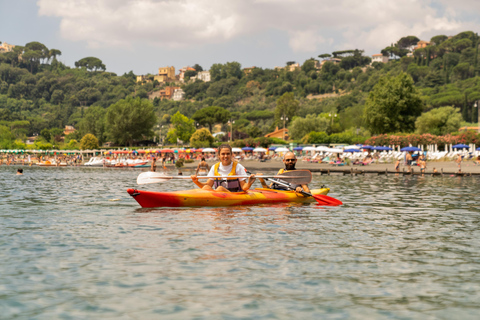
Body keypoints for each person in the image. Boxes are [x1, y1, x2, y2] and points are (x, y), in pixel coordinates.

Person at [191, 144, 256, 192]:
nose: (225, 156)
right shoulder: (215, 167)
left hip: (234, 195)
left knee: (220, 188)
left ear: (231, 155)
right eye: (223, 154)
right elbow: (208, 185)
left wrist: (249, 184)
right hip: (219, 195)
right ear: (219, 155)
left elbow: (244, 187)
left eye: (228, 154)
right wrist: (196, 182)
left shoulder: (238, 167)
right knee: (206, 187)